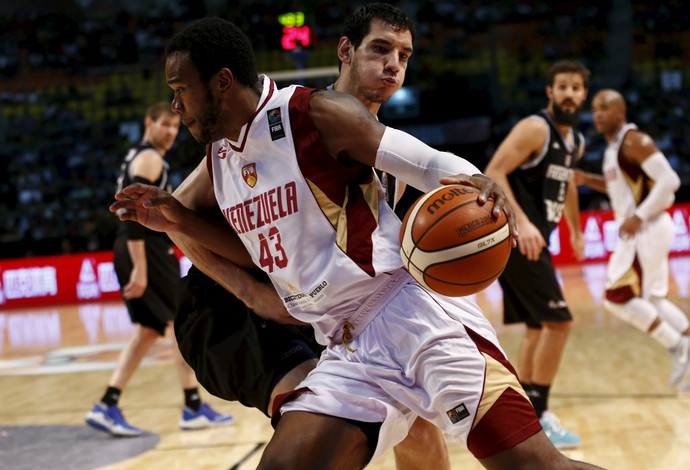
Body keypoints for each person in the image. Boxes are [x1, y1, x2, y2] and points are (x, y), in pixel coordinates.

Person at [111, 18, 602, 469]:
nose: (176, 106)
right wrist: (177, 218)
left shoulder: (312, 111)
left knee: (535, 467)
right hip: (348, 350)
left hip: (412, 320)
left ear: (221, 81)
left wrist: (473, 178)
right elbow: (260, 253)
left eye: (181, 91)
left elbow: (426, 163)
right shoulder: (222, 158)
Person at [173, 5, 450, 468]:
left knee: (417, 422)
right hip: (227, 308)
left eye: (404, 55)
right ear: (345, 51)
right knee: (313, 422)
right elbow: (177, 213)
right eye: (380, 49)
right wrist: (251, 291)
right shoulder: (292, 119)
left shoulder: (387, 156)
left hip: (316, 303)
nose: (393, 64)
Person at [85, 102, 233, 437]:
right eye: (164, 124)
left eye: (174, 126)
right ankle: (191, 406)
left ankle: (110, 403)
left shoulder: (140, 157)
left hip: (143, 251)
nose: (170, 131)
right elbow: (133, 219)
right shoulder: (149, 158)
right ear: (148, 122)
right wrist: (140, 269)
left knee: (151, 329)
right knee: (176, 322)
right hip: (145, 251)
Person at [483, 59, 588, 449]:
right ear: (550, 91)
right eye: (562, 87)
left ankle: (527, 415)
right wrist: (522, 223)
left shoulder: (575, 141)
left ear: (583, 94)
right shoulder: (535, 128)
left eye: (576, 88)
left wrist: (576, 229)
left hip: (531, 241)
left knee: (537, 327)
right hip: (517, 240)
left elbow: (570, 184)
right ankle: (541, 416)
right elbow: (494, 170)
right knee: (559, 323)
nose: (569, 94)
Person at [575, 88, 690, 390]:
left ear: (620, 112)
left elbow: (670, 181)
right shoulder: (614, 149)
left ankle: (677, 344)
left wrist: (639, 215)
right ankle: (685, 344)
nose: (597, 113)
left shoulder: (634, 140)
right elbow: (619, 191)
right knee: (653, 299)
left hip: (645, 229)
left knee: (616, 297)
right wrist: (588, 180)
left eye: (604, 107)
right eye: (595, 108)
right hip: (647, 228)